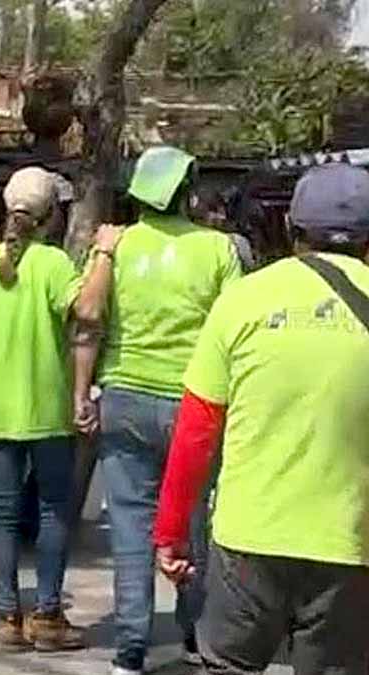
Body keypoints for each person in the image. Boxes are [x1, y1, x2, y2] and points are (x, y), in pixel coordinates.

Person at [154, 163, 369, 675]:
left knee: (227, 666)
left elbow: (196, 430)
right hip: (352, 543)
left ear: (291, 229)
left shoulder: (244, 300)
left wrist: (171, 530)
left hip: (249, 540)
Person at [75, 147, 244, 675]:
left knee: (129, 527)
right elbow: (235, 331)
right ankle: (195, 636)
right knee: (193, 525)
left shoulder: (114, 246)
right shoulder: (219, 250)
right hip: (195, 405)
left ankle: (130, 649)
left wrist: (82, 394)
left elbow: (88, 322)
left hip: (123, 398)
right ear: (187, 192)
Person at [0, 167, 121, 653]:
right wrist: (104, 257)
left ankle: (7, 615)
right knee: (53, 511)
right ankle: (47, 614)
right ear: (52, 217)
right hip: (48, 410)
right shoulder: (53, 264)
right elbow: (88, 313)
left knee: (2, 513)